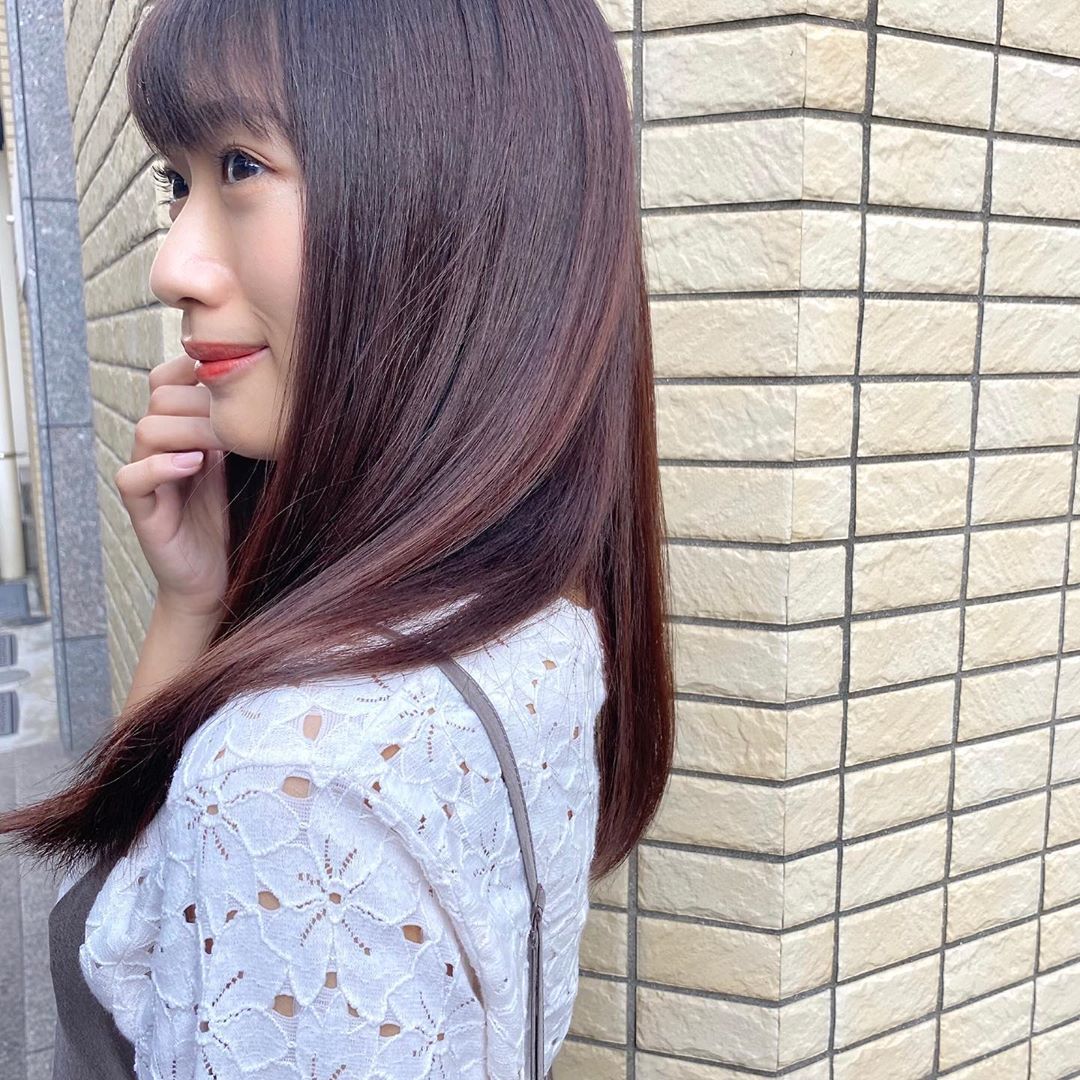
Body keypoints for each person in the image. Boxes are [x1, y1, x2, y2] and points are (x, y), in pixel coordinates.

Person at [0, 0, 675, 1077]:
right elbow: (152, 897)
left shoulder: (296, 775)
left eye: (240, 165)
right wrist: (193, 598)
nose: (173, 264)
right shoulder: (537, 610)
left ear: (445, 203)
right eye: (178, 180)